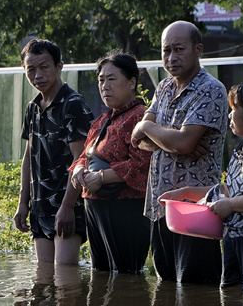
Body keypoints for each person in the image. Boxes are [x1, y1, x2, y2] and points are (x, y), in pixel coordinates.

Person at [161, 82, 243, 290]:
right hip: (231, 239)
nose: (229, 115)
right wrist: (186, 193)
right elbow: (228, 189)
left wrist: (231, 205)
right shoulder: (240, 150)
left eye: (234, 110)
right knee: (231, 299)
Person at [131, 21, 228, 284]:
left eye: (179, 49)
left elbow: (183, 143)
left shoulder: (211, 89)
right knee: (166, 288)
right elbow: (137, 139)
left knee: (195, 293)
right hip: (160, 206)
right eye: (166, 51)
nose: (171, 58)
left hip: (194, 211)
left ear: (198, 50)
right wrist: (158, 133)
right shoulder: (164, 87)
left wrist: (149, 126)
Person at [69, 51, 151, 273]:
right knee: (101, 273)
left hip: (124, 209)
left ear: (132, 82)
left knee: (125, 277)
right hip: (94, 207)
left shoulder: (141, 117)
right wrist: (78, 169)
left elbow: (142, 164)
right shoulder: (102, 120)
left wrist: (101, 177)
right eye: (101, 80)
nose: (105, 86)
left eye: (111, 79)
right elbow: (86, 155)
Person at [13, 38, 93, 266]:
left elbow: (82, 160)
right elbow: (29, 156)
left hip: (68, 205)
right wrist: (23, 203)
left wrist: (67, 207)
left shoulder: (73, 105)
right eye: (31, 69)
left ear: (59, 66)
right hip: (40, 207)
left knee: (65, 280)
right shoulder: (33, 107)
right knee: (44, 278)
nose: (38, 75)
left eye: (44, 67)